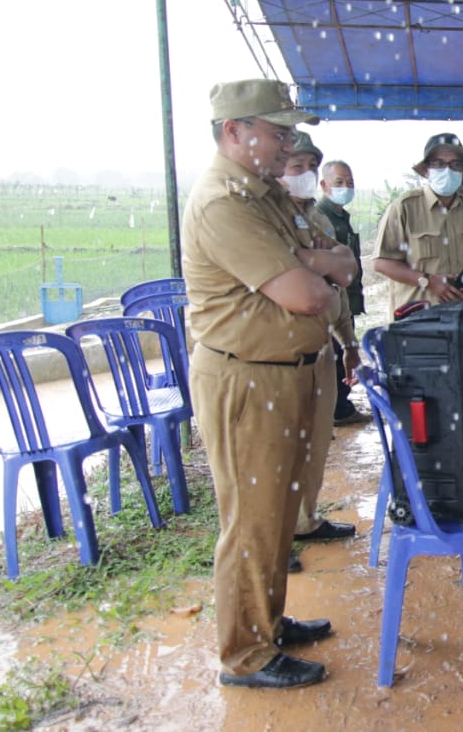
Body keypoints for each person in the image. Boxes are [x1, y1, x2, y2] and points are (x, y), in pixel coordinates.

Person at [184, 79, 356, 689]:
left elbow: (339, 255)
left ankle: (268, 621)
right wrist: (316, 268)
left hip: (287, 373)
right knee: (253, 518)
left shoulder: (264, 196)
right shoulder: (222, 202)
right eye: (277, 132)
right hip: (246, 378)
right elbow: (311, 291)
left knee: (280, 510)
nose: (288, 145)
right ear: (235, 131)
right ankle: (246, 655)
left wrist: (314, 263)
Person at [279, 134, 358, 570]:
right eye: (296, 165)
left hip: (322, 345)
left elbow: (340, 282)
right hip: (278, 351)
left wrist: (349, 343)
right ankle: (275, 541)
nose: (304, 174)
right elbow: (301, 278)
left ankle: (306, 520)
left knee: (314, 443)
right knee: (277, 452)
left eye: (311, 164)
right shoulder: (268, 217)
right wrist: (326, 262)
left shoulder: (321, 223)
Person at [372, 133, 463, 313]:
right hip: (417, 320)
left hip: (462, 317)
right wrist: (427, 281)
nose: (447, 170)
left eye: (455, 164)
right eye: (439, 163)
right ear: (427, 170)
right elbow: (381, 262)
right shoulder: (404, 208)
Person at [315, 157, 371, 426]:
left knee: (342, 350)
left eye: (350, 182)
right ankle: (339, 408)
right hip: (332, 298)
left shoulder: (340, 216)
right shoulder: (320, 217)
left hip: (346, 297)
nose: (346, 187)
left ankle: (341, 404)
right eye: (339, 182)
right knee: (336, 353)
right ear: (324, 185)